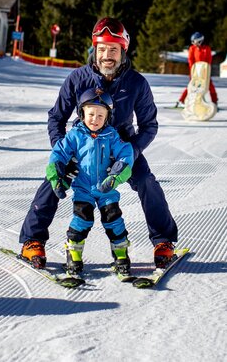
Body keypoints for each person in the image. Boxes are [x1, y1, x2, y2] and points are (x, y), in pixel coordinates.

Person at [19, 17, 178, 269]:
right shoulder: (77, 79)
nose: (107, 55)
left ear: (123, 52)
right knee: (53, 181)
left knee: (147, 182)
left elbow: (149, 125)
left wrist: (132, 153)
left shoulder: (136, 83)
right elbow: (56, 118)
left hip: (122, 149)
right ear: (94, 49)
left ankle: (163, 241)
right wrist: (64, 153)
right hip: (81, 149)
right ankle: (32, 241)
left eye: (113, 50)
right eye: (102, 49)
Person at [46, 88, 134, 276]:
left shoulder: (111, 136)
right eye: (91, 114)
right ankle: (74, 256)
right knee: (82, 219)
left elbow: (126, 153)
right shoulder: (75, 135)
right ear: (82, 113)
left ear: (107, 117)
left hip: (106, 189)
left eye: (101, 115)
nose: (95, 119)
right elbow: (58, 153)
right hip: (83, 189)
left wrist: (116, 176)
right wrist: (57, 176)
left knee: (113, 219)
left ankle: (121, 255)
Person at [176, 32, 218, 107]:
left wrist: (206, 69)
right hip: (195, 71)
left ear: (199, 41)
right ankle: (181, 100)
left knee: (209, 85)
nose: (193, 43)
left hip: (204, 71)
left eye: (194, 41)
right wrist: (193, 71)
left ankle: (214, 102)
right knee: (191, 86)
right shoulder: (192, 48)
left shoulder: (206, 49)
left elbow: (209, 60)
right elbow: (190, 60)